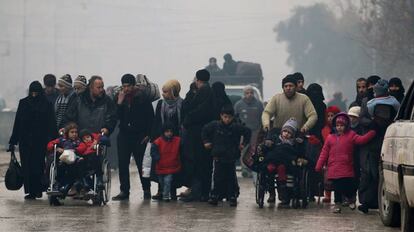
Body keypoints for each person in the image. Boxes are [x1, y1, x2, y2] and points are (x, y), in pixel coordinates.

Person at [315, 113, 376, 213]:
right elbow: (324, 153)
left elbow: (361, 140)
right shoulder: (330, 138)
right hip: (333, 168)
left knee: (348, 185)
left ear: (346, 125)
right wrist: (319, 165)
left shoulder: (351, 135)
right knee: (337, 188)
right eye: (337, 125)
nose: (339, 128)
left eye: (342, 125)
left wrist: (371, 134)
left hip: (346, 167)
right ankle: (337, 204)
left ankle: (350, 198)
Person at [9, 81, 57, 200]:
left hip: (40, 142)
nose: (34, 95)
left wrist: (54, 140)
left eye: (36, 92)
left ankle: (38, 189)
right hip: (25, 141)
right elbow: (18, 123)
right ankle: (30, 191)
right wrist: (13, 141)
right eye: (32, 92)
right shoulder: (23, 103)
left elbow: (51, 123)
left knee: (38, 167)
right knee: (27, 167)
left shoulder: (46, 104)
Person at [112, 74, 154, 201]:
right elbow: (116, 117)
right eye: (124, 86)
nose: (126, 89)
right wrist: (119, 103)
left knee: (142, 164)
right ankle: (124, 191)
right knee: (123, 164)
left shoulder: (142, 97)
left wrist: (149, 135)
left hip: (139, 135)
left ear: (133, 85)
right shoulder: (120, 97)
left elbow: (150, 117)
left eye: (128, 86)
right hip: (124, 134)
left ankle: (146, 189)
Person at [202, 106, 251, 207]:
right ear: (221, 116)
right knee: (217, 177)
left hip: (231, 156)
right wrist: (206, 142)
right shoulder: (215, 125)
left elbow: (247, 132)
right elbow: (205, 130)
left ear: (232, 117)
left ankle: (232, 195)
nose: (227, 119)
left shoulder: (236, 127)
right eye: (225, 117)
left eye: (229, 117)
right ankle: (215, 195)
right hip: (218, 156)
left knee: (231, 177)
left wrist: (243, 144)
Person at [181, 69, 215, 202]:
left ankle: (198, 192)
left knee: (197, 163)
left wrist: (188, 119)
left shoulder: (204, 92)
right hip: (201, 133)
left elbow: (198, 111)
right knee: (202, 163)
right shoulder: (202, 91)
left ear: (197, 79)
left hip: (198, 134)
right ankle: (202, 192)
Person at [151, 79, 183, 200]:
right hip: (161, 139)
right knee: (160, 165)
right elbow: (156, 121)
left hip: (175, 140)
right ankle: (160, 190)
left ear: (173, 92)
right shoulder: (161, 104)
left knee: (174, 166)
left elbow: (182, 122)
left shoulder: (181, 104)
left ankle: (172, 191)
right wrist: (154, 137)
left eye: (166, 92)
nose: (163, 94)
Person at [262, 118, 303, 208]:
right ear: (281, 131)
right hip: (273, 161)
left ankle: (282, 192)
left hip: (284, 163)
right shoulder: (275, 139)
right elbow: (267, 150)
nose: (286, 134)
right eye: (285, 131)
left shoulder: (293, 143)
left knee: (281, 169)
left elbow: (297, 153)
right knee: (269, 168)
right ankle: (271, 192)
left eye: (289, 133)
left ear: (292, 135)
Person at [234, 85, 264, 177]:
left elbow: (262, 117)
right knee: (243, 150)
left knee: (253, 150)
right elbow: (235, 118)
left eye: (251, 92)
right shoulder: (238, 105)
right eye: (247, 93)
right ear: (244, 94)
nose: (249, 94)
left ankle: (252, 168)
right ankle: (245, 169)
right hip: (243, 132)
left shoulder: (259, 104)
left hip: (255, 131)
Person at [305, 83, 326, 201]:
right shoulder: (309, 104)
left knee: (315, 165)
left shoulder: (322, 106)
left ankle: (313, 191)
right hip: (309, 136)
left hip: (317, 139)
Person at [151, 123, 182, 202]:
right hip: (162, 166)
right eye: (167, 131)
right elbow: (153, 152)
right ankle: (169, 195)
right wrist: (157, 158)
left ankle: (165, 196)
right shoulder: (158, 142)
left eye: (171, 131)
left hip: (170, 166)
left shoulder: (176, 141)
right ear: (163, 132)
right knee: (163, 182)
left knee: (167, 182)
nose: (169, 133)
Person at [320, 105, 341, 203]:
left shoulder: (341, 129)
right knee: (327, 177)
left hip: (339, 156)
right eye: (328, 116)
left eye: (332, 115)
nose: (330, 118)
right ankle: (327, 195)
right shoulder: (324, 130)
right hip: (328, 157)